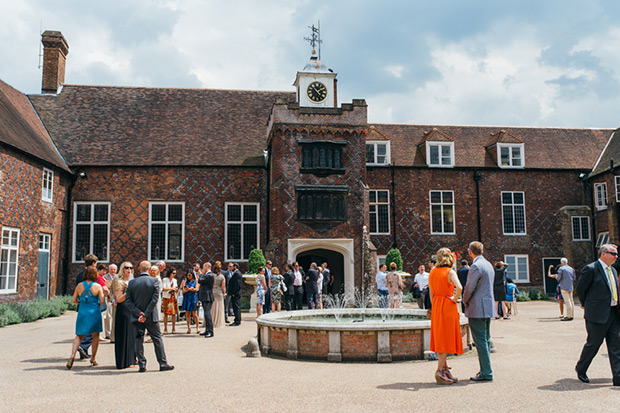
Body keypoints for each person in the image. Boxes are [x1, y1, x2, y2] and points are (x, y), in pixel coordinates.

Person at [575, 243, 620, 386]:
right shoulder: (591, 269)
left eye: (617, 254)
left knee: (616, 346)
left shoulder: (612, 270)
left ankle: (618, 377)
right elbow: (581, 289)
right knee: (593, 344)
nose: (616, 256)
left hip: (613, 313)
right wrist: (586, 304)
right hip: (597, 314)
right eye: (613, 254)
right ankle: (581, 368)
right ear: (603, 254)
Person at [125, 260, 174, 372]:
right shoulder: (154, 281)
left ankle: (142, 364)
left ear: (139, 269)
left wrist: (138, 313)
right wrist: (146, 313)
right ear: (148, 269)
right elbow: (154, 299)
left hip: (137, 317)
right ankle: (162, 363)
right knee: (157, 339)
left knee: (138, 340)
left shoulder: (132, 282)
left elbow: (128, 301)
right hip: (151, 316)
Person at [429, 247, 463, 384]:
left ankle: (444, 368)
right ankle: (440, 370)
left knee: (440, 337)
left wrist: (435, 305)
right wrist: (454, 299)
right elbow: (460, 287)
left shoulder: (432, 272)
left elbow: (431, 293)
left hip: (437, 305)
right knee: (445, 338)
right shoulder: (450, 272)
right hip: (448, 305)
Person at [463, 241, 495, 382]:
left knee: (480, 340)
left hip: (477, 307)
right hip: (487, 306)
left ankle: (486, 372)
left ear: (470, 252)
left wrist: (465, 301)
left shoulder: (475, 266)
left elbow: (469, 288)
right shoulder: (488, 264)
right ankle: (486, 370)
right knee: (486, 339)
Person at [67, 267, 104, 369]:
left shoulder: (79, 285)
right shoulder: (97, 286)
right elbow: (102, 301)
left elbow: (74, 300)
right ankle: (93, 358)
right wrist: (94, 303)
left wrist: (82, 302)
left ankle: (72, 355)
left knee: (79, 335)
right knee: (95, 335)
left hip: (82, 311)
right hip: (94, 312)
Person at [74, 253, 98, 360]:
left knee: (82, 328)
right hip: (91, 306)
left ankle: (82, 350)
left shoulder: (80, 275)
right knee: (91, 329)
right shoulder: (93, 275)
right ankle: (83, 347)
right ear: (93, 263)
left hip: (82, 305)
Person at [113, 261, 136, 369]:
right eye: (126, 268)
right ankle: (123, 361)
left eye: (130, 268)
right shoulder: (119, 282)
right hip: (123, 309)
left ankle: (132, 358)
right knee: (124, 334)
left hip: (131, 308)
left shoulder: (132, 280)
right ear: (123, 269)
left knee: (131, 334)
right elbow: (119, 298)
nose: (129, 270)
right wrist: (129, 291)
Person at [198, 262, 215, 337]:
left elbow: (200, 280)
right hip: (204, 296)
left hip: (207, 296)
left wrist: (201, 274)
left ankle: (210, 331)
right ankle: (207, 330)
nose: (202, 268)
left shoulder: (210, 275)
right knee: (206, 314)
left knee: (208, 314)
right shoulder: (207, 275)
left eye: (203, 267)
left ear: (206, 266)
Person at [161, 268, 178, 334]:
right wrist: (170, 288)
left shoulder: (175, 280)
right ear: (170, 273)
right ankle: (165, 328)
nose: (174, 275)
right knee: (165, 313)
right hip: (166, 297)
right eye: (173, 273)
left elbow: (176, 288)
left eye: (175, 273)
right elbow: (163, 288)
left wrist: (175, 289)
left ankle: (173, 328)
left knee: (173, 313)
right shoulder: (165, 280)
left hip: (173, 297)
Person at [103, 263, 117, 341]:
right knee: (108, 317)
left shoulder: (118, 277)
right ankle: (108, 333)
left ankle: (113, 333)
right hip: (108, 299)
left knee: (114, 317)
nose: (113, 271)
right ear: (109, 270)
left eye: (114, 269)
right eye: (111, 269)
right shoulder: (105, 277)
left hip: (115, 298)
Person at [211, 262, 226, 328]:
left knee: (212, 307)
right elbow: (223, 287)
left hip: (212, 291)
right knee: (219, 307)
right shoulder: (222, 276)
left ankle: (211, 321)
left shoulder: (211, 276)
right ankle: (218, 322)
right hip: (219, 292)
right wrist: (224, 293)